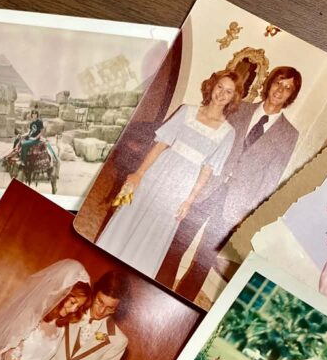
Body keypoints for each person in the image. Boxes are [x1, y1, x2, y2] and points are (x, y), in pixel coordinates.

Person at [166, 67, 303, 297]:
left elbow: (270, 181)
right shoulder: (240, 108)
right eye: (279, 82)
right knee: (177, 243)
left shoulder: (289, 134)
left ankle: (181, 300)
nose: (280, 90)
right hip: (208, 187)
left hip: (236, 205)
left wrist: (249, 214)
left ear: (291, 96)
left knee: (203, 261)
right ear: (269, 83)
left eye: (288, 88)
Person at [95, 70, 239, 279]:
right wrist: (139, 174)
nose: (222, 94)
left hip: (182, 186)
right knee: (130, 213)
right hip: (159, 170)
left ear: (233, 97)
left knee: (156, 230)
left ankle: (129, 277)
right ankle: (103, 261)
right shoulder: (187, 110)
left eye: (228, 92)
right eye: (220, 87)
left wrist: (189, 201)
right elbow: (161, 144)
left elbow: (207, 170)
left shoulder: (228, 133)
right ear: (213, 85)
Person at [36, 270, 129, 360]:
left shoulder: (118, 340)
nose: (101, 311)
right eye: (99, 302)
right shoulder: (69, 309)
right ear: (94, 293)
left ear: (118, 307)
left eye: (110, 308)